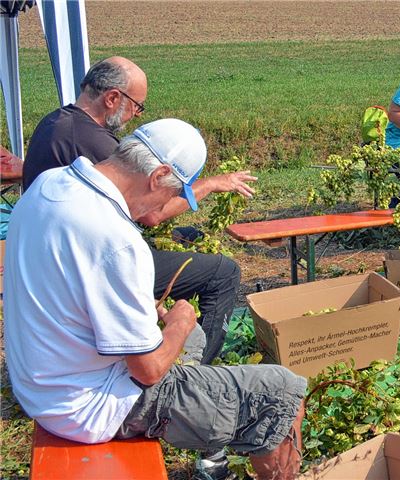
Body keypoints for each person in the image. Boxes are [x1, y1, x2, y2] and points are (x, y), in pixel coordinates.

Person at [4, 118, 306, 479]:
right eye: (172, 192)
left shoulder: (49, 184)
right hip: (89, 406)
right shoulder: (116, 239)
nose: (163, 207)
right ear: (158, 175)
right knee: (282, 392)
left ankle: (211, 433)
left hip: (39, 385)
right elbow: (147, 370)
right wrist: (180, 322)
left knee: (195, 343)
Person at [21, 56, 254, 366]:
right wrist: (211, 184)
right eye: (136, 106)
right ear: (112, 98)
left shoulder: (56, 122)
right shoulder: (97, 144)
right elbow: (151, 214)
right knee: (222, 273)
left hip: (56, 255)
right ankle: (200, 369)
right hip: (83, 263)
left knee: (189, 235)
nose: (136, 115)